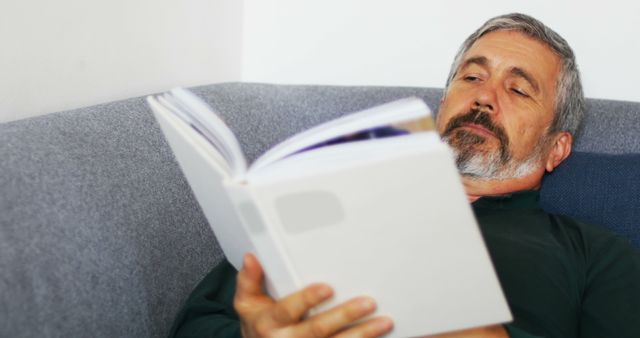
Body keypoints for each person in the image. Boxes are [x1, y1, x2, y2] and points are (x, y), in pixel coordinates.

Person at [170, 13, 640, 338]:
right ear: (442, 107)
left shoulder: (594, 253)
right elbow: (194, 325)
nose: (483, 97)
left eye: (518, 88)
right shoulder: (319, 200)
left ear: (557, 148)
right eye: (471, 78)